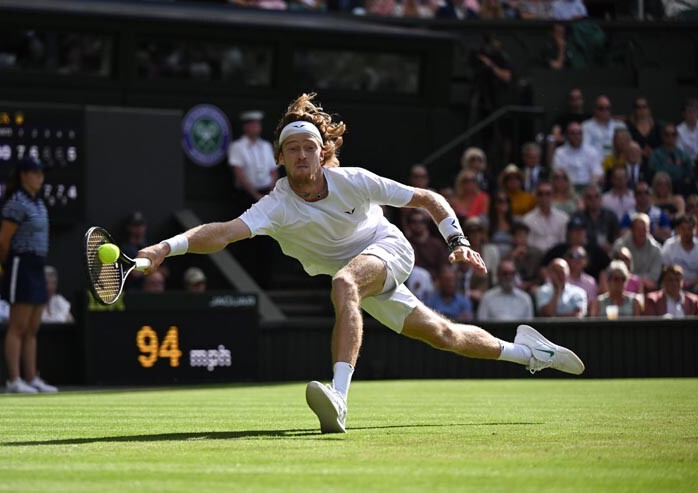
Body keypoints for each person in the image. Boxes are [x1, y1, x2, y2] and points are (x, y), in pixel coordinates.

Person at [137, 93, 585, 434]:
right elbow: (221, 232)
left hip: (387, 249)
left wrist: (457, 241)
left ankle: (339, 398)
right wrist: (165, 248)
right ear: (280, 158)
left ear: (320, 152)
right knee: (444, 335)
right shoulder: (275, 204)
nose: (300, 155)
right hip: (361, 278)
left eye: (307, 147)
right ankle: (531, 353)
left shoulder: (354, 181)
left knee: (344, 282)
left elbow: (427, 198)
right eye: (290, 149)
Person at [0, 156, 58, 394]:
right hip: (20, 264)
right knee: (18, 326)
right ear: (23, 175)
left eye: (41, 173)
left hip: (37, 264)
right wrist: (7, 265)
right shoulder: (16, 203)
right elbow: (2, 241)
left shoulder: (38, 203)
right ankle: (14, 380)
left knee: (32, 328)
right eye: (35, 173)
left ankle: (31, 377)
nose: (39, 177)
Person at [228, 110, 279, 205]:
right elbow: (239, 174)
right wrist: (255, 195)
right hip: (246, 195)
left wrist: (271, 193)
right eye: (253, 125)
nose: (256, 128)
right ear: (246, 127)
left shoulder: (266, 146)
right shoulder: (237, 146)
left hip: (266, 193)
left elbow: (273, 170)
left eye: (257, 125)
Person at [660, 214, 698, 295]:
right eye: (683, 229)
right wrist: (677, 283)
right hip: (672, 283)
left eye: (690, 229)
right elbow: (665, 270)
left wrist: (689, 284)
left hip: (695, 287)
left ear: (696, 230)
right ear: (677, 230)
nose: (686, 232)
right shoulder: (669, 245)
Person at [612, 213, 663, 293]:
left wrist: (636, 281)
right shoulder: (619, 246)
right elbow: (616, 271)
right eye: (639, 230)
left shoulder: (656, 249)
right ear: (632, 230)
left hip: (647, 290)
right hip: (622, 285)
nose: (642, 233)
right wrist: (636, 281)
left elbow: (653, 277)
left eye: (645, 230)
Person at [552, 122, 602, 191]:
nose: (576, 136)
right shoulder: (560, 152)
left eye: (579, 133)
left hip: (588, 187)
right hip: (567, 188)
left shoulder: (592, 151)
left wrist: (590, 187)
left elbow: (597, 173)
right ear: (567, 135)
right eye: (573, 133)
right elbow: (557, 172)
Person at [648, 123, 695, 196]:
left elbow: (689, 173)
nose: (670, 137)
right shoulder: (656, 154)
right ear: (662, 136)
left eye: (673, 134)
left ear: (677, 136)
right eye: (667, 134)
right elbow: (655, 172)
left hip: (681, 188)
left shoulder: (683, 155)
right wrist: (675, 169)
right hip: (662, 188)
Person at [522, 181, 569, 253]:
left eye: (548, 194)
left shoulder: (563, 218)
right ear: (536, 196)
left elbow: (564, 241)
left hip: (557, 254)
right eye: (540, 194)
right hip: (536, 256)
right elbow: (529, 243)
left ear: (553, 196)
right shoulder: (527, 219)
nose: (544, 197)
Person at [573, 183, 620, 254]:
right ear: (584, 200)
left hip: (606, 254)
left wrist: (612, 247)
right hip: (584, 254)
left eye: (596, 196)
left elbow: (618, 238)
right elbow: (572, 240)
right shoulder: (577, 217)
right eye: (589, 197)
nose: (593, 200)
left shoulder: (610, 216)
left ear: (601, 199)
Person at [405, 208, 450, 278]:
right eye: (413, 221)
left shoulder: (437, 245)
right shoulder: (405, 243)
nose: (417, 224)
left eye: (421, 221)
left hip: (435, 282)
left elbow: (443, 268)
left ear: (426, 223)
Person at [581, 95, 626, 160]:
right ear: (595, 109)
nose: (605, 111)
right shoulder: (586, 126)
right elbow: (585, 148)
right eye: (601, 108)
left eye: (607, 108)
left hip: (617, 164)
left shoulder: (620, 125)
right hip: (595, 163)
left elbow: (627, 146)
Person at [504, 221, 544, 292]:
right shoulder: (507, 255)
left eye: (525, 236)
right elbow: (505, 273)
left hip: (533, 286)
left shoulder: (536, 253)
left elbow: (540, 275)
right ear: (513, 238)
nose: (523, 239)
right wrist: (513, 257)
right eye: (519, 236)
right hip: (513, 286)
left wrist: (529, 284)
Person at [625, 97, 661, 163]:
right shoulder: (629, 126)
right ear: (635, 110)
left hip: (654, 161)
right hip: (635, 161)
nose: (642, 110)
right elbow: (626, 145)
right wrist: (640, 151)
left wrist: (653, 152)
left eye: (644, 107)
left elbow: (661, 146)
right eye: (638, 107)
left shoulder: (657, 127)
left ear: (648, 109)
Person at [120, 211, 148, 290]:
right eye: (135, 225)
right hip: (134, 291)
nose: (139, 228)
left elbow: (165, 271)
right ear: (129, 227)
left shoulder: (151, 246)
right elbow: (134, 274)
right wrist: (153, 267)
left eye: (141, 225)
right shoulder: (125, 249)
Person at [487, 190, 515, 256]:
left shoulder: (515, 222)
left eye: (507, 201)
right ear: (494, 204)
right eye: (500, 201)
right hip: (493, 257)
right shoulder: (487, 221)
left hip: (511, 257)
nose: (504, 203)